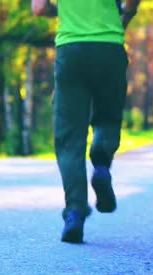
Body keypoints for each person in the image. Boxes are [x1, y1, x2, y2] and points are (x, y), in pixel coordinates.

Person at [32, 0, 140, 243]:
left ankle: (75, 212)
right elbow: (131, 2)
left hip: (71, 50)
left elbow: (39, 8)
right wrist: (126, 15)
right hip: (109, 48)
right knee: (108, 117)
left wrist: (64, 10)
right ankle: (101, 166)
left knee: (69, 138)